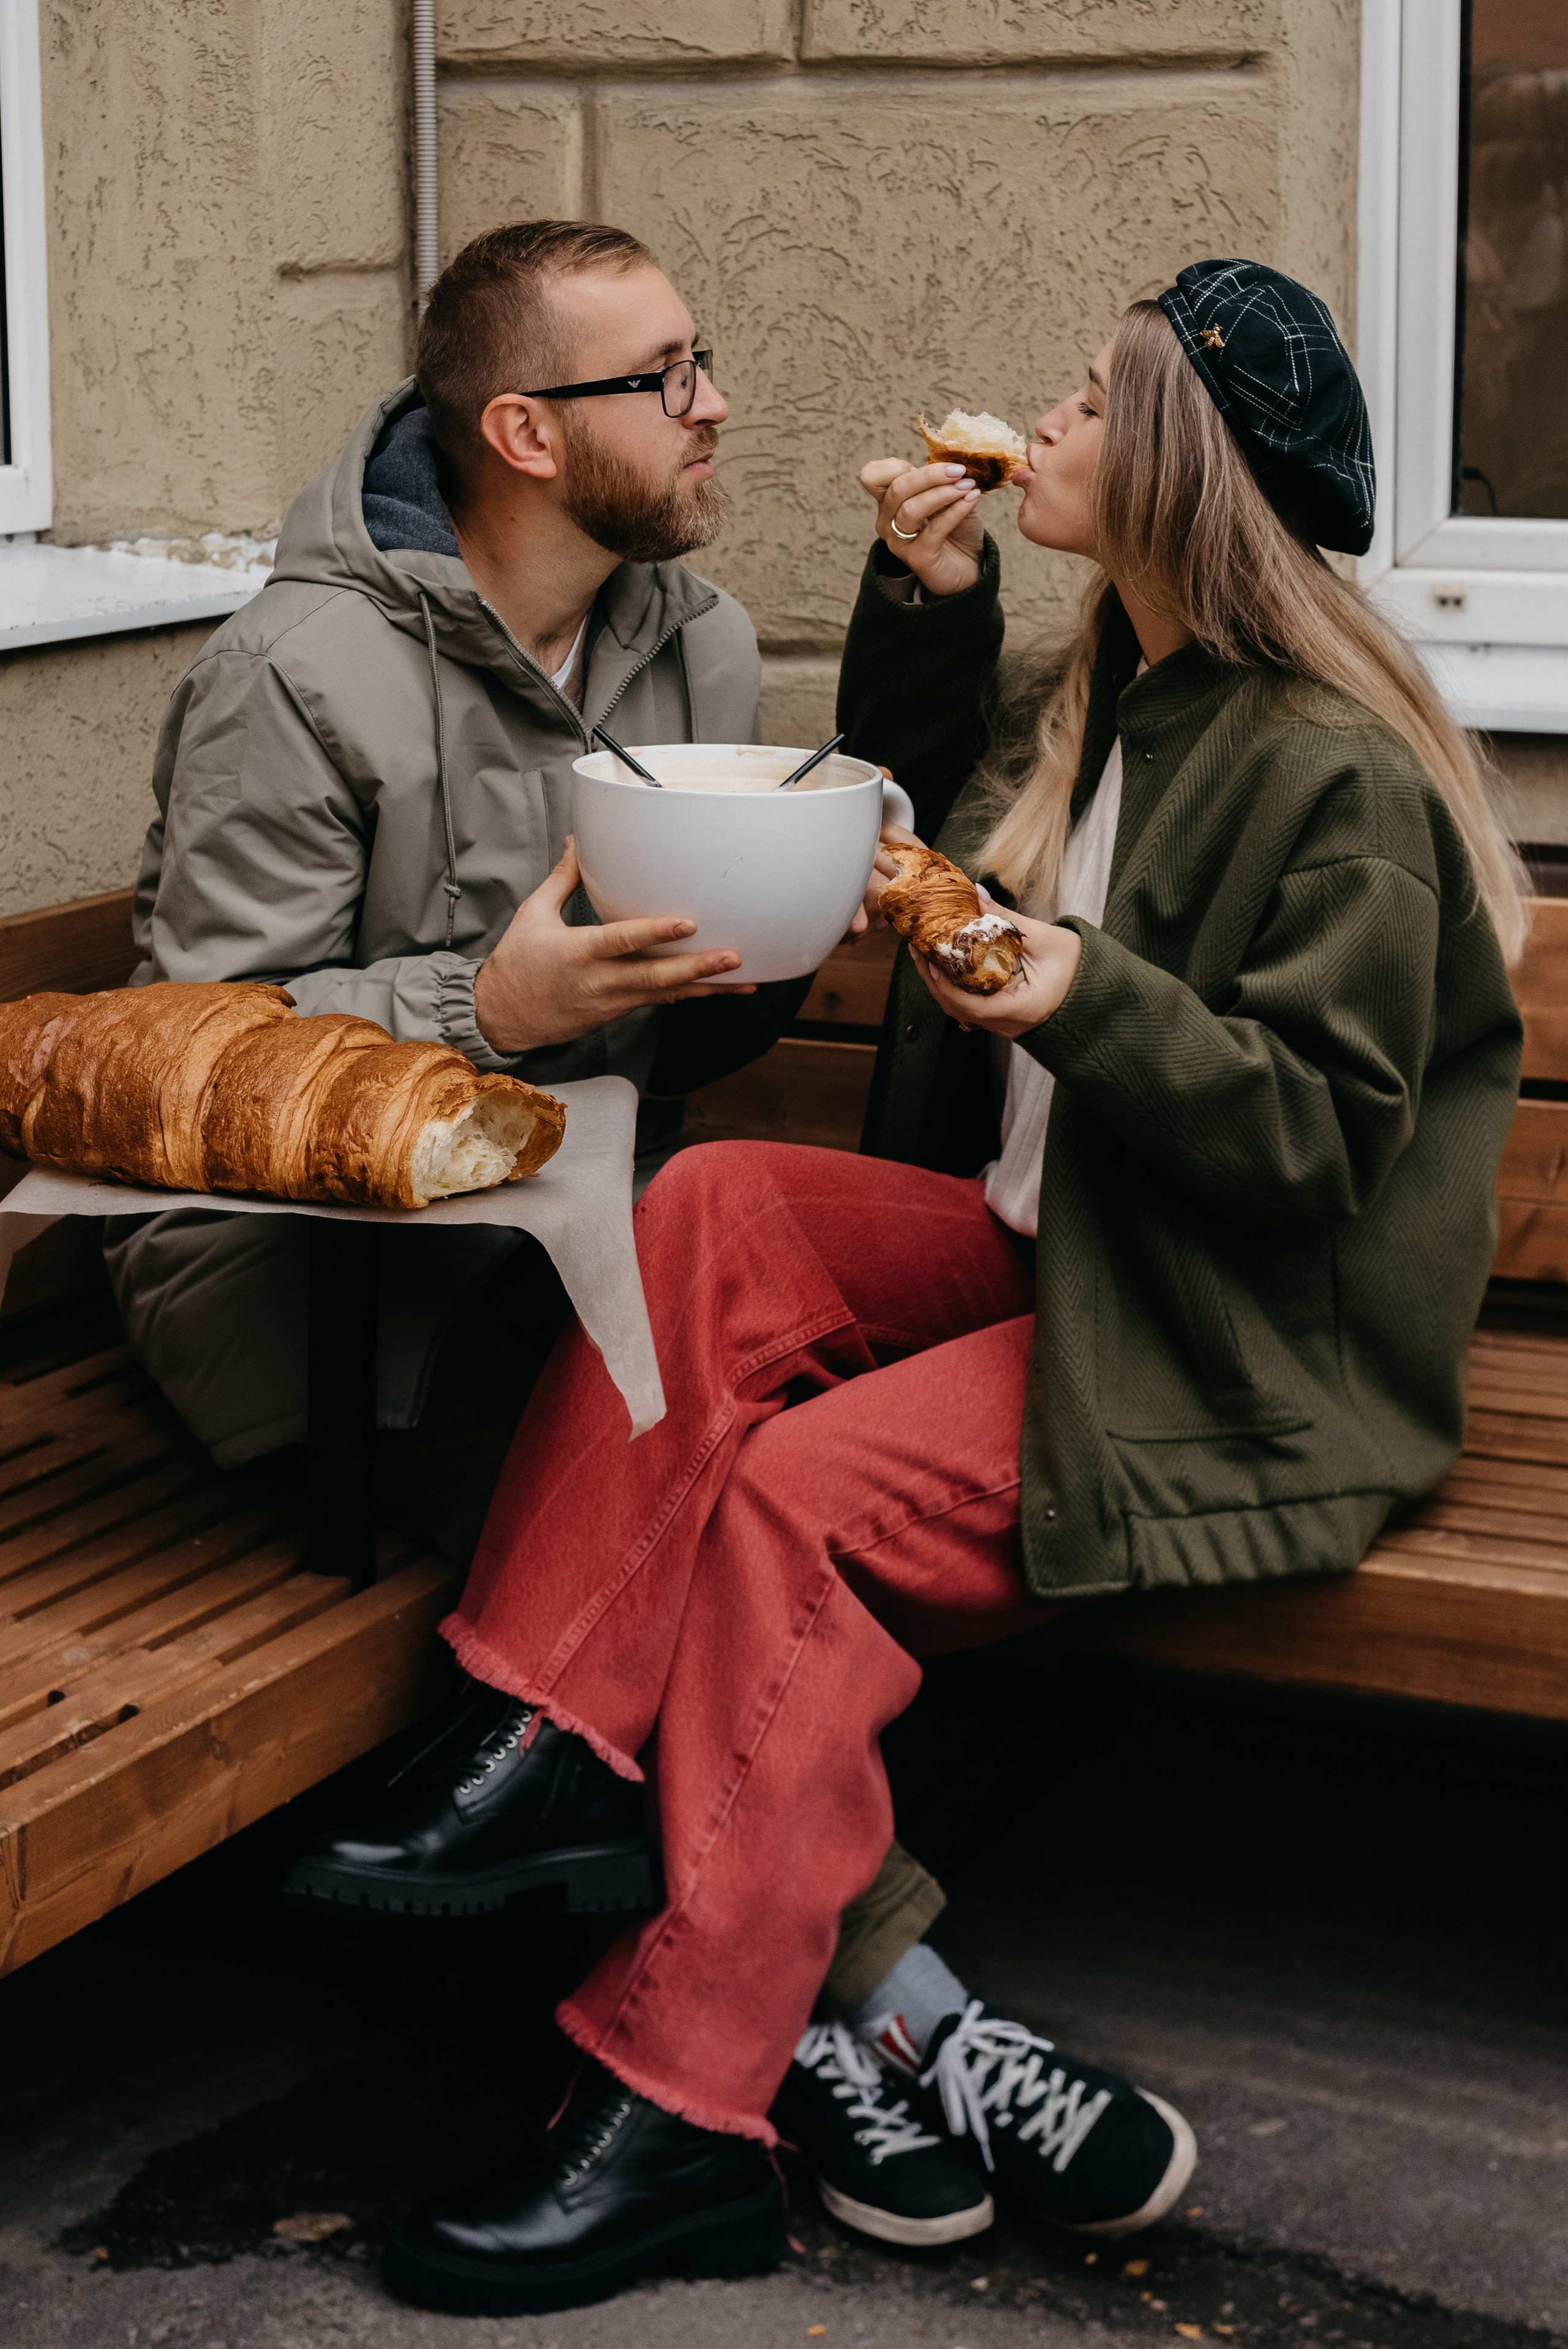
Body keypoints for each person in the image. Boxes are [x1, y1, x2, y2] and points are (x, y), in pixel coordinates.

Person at [306, 259, 1525, 2318]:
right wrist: (933, 601)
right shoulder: (1132, 690)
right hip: (1077, 1256)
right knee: (706, 1219)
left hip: (1228, 1345)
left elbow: (1314, 1142)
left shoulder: (1335, 769)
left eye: (1086, 400)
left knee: (790, 1502)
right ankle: (544, 1747)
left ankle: (678, 2112)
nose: (1039, 421)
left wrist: (1081, 985)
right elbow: (917, 832)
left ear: (1179, 475)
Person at [107, 219, 812, 1569]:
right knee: (691, 1535)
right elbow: (195, 1055)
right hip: (314, 1270)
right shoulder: (294, 675)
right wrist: (484, 1006)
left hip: (571, 1206)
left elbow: (676, 1034)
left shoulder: (694, 637)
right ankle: (513, 1782)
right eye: (660, 376)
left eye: (699, 361)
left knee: (835, 1448)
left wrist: (769, 936)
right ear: (527, 437)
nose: (710, 405)